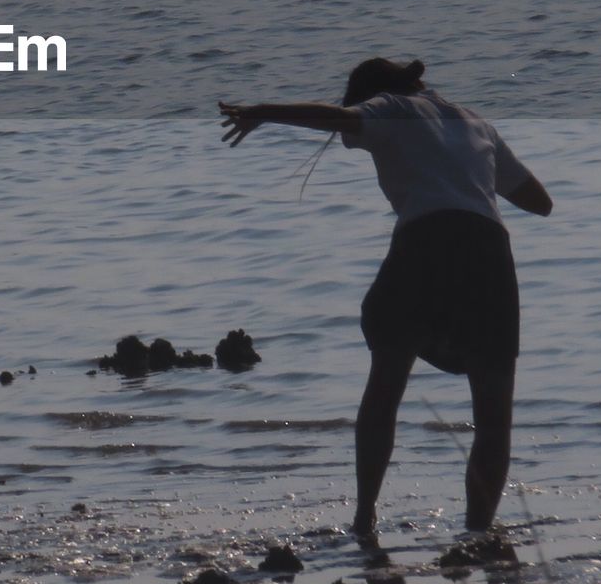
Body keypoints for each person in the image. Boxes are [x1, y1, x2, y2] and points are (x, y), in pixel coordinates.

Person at [219, 58, 552, 539]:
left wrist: (263, 111)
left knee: (386, 383)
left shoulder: (390, 106)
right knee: (494, 410)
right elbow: (539, 203)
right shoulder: (477, 121)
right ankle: (479, 532)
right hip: (489, 250)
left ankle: (364, 518)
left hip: (424, 240)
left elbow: (338, 119)